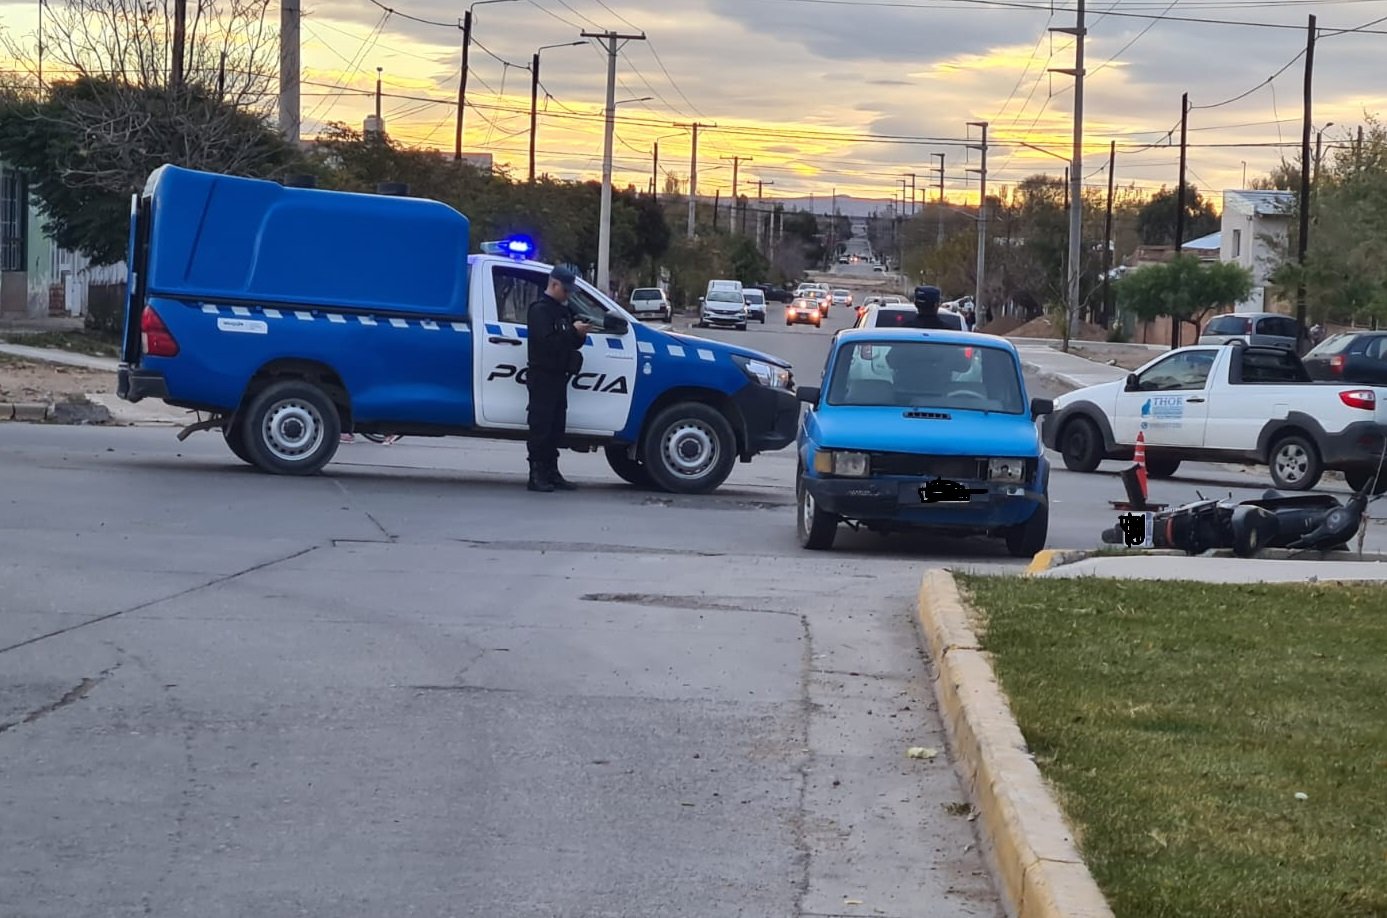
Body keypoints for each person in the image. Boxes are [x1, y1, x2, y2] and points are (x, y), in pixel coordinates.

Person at [525, 265, 592, 492]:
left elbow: (570, 342)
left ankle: (552, 471)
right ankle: (536, 474)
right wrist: (572, 332)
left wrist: (579, 334)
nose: (568, 295)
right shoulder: (539, 310)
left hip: (559, 376)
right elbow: (547, 343)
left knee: (556, 428)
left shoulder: (563, 311)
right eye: (565, 290)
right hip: (542, 375)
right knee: (541, 426)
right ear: (554, 285)